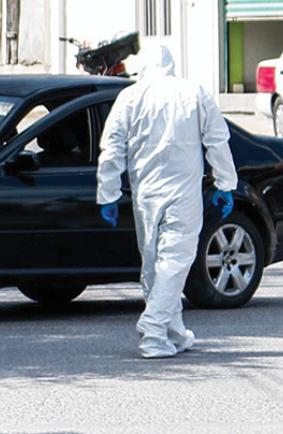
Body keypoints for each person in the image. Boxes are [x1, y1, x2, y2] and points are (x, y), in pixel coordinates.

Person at [95, 46, 237, 359]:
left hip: (145, 193)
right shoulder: (194, 92)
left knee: (154, 264)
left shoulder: (130, 97)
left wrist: (108, 194)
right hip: (183, 192)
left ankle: (172, 333)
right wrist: (226, 184)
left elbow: (112, 149)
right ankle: (154, 327)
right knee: (176, 260)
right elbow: (217, 139)